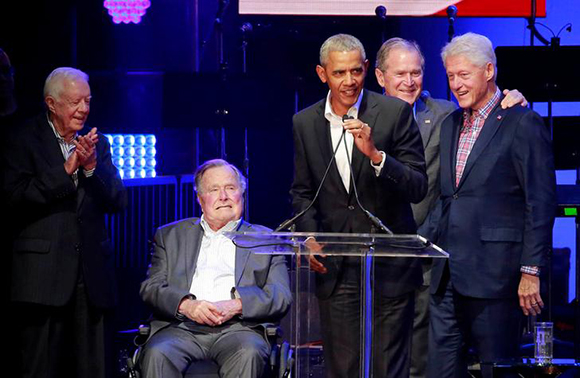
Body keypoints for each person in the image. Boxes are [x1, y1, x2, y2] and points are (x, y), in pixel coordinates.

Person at [373, 37, 528, 378]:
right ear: (381, 77)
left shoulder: (447, 114)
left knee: (426, 360)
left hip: (430, 258)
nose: (410, 81)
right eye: (400, 74)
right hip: (375, 258)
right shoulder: (360, 117)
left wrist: (512, 98)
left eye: (417, 72)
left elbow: (491, 113)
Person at [290, 34, 427, 377]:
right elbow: (303, 192)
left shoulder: (394, 113)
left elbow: (418, 186)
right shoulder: (304, 123)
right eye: (339, 73)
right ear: (322, 74)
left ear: (366, 69)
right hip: (337, 268)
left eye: (356, 71)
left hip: (388, 265)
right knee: (344, 367)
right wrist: (308, 237)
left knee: (387, 368)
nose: (349, 81)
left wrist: (377, 156)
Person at [426, 33, 556, 378]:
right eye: (451, 76)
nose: (456, 84)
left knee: (495, 371)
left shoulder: (522, 122)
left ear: (488, 71)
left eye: (464, 75)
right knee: (439, 370)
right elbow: (450, 196)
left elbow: (540, 202)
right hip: (448, 275)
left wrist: (531, 271)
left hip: (497, 275)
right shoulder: (451, 124)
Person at [4, 67, 127, 378]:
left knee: (95, 367)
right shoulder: (21, 139)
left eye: (87, 101)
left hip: (91, 277)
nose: (83, 109)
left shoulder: (98, 144)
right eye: (75, 102)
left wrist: (90, 169)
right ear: (51, 103)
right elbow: (14, 199)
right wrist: (65, 171)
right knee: (40, 368)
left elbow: (118, 201)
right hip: (41, 278)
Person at [139, 159, 292, 378]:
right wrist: (186, 305)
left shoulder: (265, 239)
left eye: (230, 188)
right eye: (214, 189)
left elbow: (280, 296)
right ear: (200, 199)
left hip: (240, 329)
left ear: (242, 193)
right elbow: (151, 288)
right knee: (157, 353)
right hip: (182, 328)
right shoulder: (170, 236)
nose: (223, 197)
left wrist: (237, 305)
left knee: (248, 352)